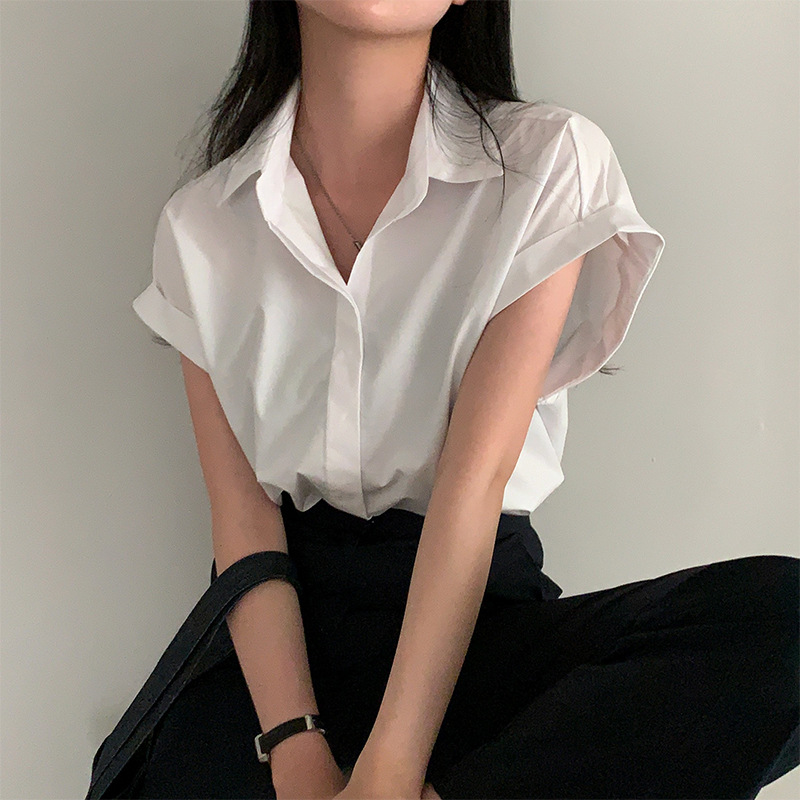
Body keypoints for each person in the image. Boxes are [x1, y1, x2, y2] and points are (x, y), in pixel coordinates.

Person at [112, 1, 798, 798]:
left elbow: (475, 481)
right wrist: (296, 751)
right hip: (280, 670)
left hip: (474, 628)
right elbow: (242, 522)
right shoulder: (201, 224)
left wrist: (395, 771)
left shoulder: (544, 163)